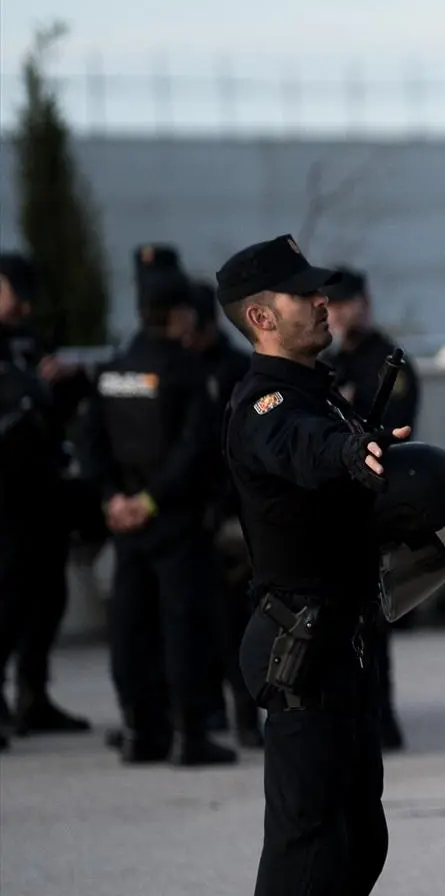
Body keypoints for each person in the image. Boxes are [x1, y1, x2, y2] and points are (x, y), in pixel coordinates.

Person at [218, 234, 445, 896]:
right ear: (261, 317)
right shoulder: (267, 405)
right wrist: (347, 453)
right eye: (304, 294)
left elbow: (358, 482)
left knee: (358, 841)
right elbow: (306, 449)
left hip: (344, 644)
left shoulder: (319, 393)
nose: (323, 302)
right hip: (302, 649)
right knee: (309, 851)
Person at [76, 263, 234, 766]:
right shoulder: (187, 371)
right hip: (174, 522)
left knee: (131, 629)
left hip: (125, 522)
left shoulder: (114, 369)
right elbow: (194, 449)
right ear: (179, 315)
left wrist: (113, 499)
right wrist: (149, 501)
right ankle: (188, 734)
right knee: (182, 630)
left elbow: (90, 443)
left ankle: (140, 730)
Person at [320, 267, 418, 751]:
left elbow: (396, 427)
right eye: (331, 306)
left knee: (374, 619)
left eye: (345, 303)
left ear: (365, 303)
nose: (338, 314)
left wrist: (353, 412)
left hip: (378, 504)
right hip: (335, 506)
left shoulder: (388, 362)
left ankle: (383, 717)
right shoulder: (330, 363)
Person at [0, 251, 94, 743]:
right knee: (7, 597)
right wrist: (31, 389)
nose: (26, 308)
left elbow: (57, 409)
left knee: (46, 596)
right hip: (6, 497)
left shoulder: (28, 343)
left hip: (43, 490)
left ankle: (32, 695)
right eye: (17, 295)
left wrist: (70, 380)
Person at [187, 279, 263, 747]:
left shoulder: (237, 370)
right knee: (197, 625)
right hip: (188, 517)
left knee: (238, 620)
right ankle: (203, 710)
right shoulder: (179, 366)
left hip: (232, 518)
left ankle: (245, 716)